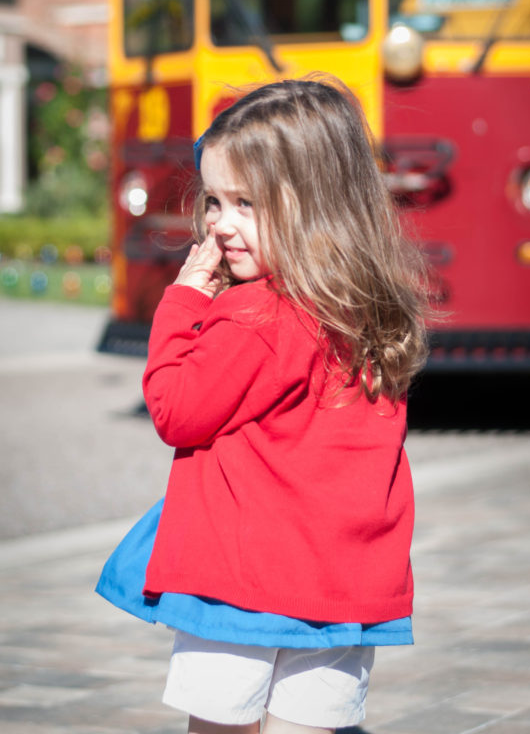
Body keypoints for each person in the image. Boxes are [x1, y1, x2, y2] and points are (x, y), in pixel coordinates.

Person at [97, 76, 428, 734]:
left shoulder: (257, 315)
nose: (218, 223)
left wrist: (184, 304)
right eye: (214, 201)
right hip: (344, 589)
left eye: (244, 203)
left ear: (313, 204)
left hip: (243, 589)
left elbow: (174, 409)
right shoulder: (370, 309)